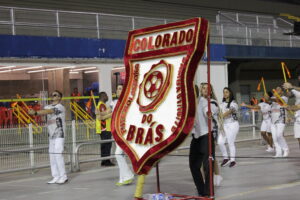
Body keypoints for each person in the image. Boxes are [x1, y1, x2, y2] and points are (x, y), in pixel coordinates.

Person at [28, 90, 68, 184]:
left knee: (58, 155)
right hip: (51, 135)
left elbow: (50, 111)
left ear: (59, 97)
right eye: (52, 95)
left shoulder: (60, 107)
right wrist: (36, 112)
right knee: (52, 157)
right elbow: (44, 114)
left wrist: (36, 113)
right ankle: (55, 176)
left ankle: (63, 176)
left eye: (55, 95)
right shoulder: (47, 106)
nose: (52, 96)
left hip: (59, 134)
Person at [190, 83, 219, 196]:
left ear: (211, 91)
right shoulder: (196, 102)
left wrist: (209, 113)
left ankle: (208, 192)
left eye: (208, 88)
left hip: (207, 136)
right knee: (193, 166)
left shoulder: (212, 102)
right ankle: (201, 191)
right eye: (204, 88)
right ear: (201, 90)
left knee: (208, 166)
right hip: (196, 137)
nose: (206, 90)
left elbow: (208, 110)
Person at [110, 84, 134, 186]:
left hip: (125, 131)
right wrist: (100, 114)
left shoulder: (128, 101)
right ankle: (122, 178)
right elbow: (109, 113)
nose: (119, 90)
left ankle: (128, 175)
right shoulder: (114, 102)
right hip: (117, 131)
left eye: (121, 89)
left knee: (118, 154)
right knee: (120, 155)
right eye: (118, 89)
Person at [218, 87, 239, 168]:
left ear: (230, 93)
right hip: (224, 125)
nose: (225, 94)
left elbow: (230, 111)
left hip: (232, 124)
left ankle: (233, 161)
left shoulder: (234, 103)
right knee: (220, 142)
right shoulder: (221, 104)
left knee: (230, 142)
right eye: (224, 92)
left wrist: (221, 116)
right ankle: (226, 158)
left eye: (226, 92)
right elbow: (218, 113)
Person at [265, 86, 289, 158]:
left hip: (281, 120)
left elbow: (279, 100)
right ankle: (278, 153)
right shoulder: (272, 102)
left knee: (279, 135)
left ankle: (286, 149)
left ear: (282, 92)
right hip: (273, 121)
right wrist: (267, 98)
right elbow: (268, 100)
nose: (276, 91)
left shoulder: (284, 98)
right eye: (276, 90)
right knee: (275, 138)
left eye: (278, 90)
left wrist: (270, 98)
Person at [96, 91, 115, 166]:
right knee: (107, 145)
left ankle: (103, 161)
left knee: (104, 145)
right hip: (105, 128)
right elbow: (102, 117)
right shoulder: (102, 105)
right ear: (103, 96)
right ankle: (107, 161)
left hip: (103, 129)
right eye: (106, 95)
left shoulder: (101, 105)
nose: (107, 96)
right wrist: (111, 113)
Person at [283, 81, 300, 149]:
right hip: (298, 117)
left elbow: (297, 107)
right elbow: (290, 95)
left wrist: (291, 86)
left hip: (296, 109)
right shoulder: (296, 91)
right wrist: (288, 92)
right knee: (298, 138)